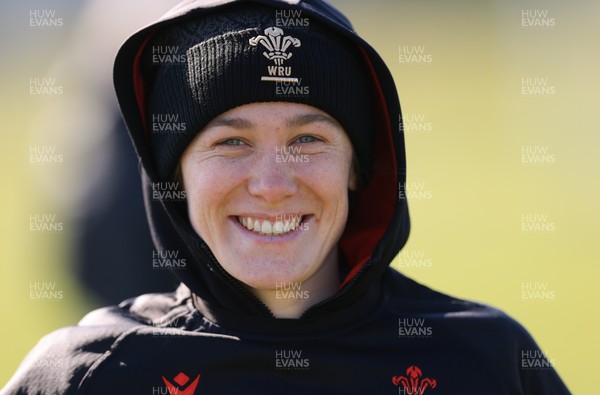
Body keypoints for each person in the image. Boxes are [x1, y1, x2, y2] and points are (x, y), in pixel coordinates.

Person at [2, 0, 571, 394]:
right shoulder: (86, 377)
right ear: (175, 175)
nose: (272, 184)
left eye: (307, 139)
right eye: (230, 142)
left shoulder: (487, 363)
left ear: (359, 168)